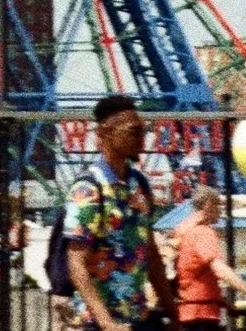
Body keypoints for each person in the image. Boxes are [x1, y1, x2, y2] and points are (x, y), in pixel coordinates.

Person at [64, 95, 174, 331]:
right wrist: (106, 323)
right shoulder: (89, 189)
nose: (142, 139)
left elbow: (151, 253)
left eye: (143, 131)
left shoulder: (139, 185)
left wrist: (173, 312)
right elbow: (76, 263)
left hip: (138, 318)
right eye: (134, 132)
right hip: (99, 323)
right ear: (105, 133)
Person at [170, 185, 246, 331]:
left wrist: (227, 306)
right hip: (202, 318)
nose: (221, 210)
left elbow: (195, 278)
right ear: (208, 204)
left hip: (187, 314)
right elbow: (220, 269)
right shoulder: (203, 233)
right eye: (218, 205)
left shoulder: (183, 231)